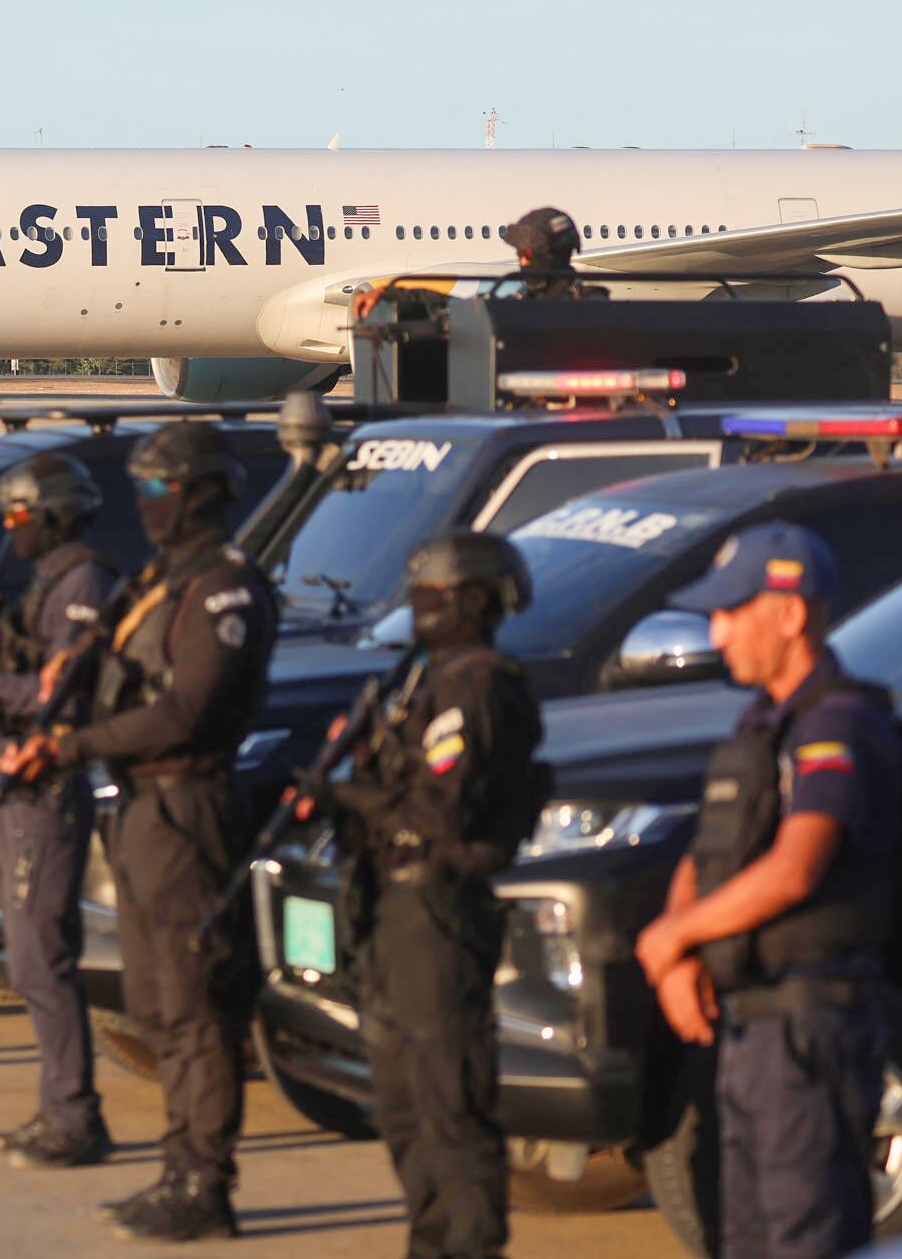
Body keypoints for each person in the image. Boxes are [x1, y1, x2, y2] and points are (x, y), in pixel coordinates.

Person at [2, 422, 276, 1243]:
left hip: (189, 808)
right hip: (141, 811)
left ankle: (204, 1181)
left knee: (196, 1010)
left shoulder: (226, 588)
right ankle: (177, 1166)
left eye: (162, 490)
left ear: (201, 494)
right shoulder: (160, 580)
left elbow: (186, 710)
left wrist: (71, 744)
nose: (148, 504)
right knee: (157, 1008)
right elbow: (102, 664)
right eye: (143, 489)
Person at [635, 522, 902, 1258]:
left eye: (731, 611)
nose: (716, 632)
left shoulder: (837, 727)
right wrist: (679, 954)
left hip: (810, 1028)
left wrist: (670, 939)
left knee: (804, 1236)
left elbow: (796, 867)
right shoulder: (764, 727)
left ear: (789, 614)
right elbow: (710, 850)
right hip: (752, 1027)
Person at [329, 533, 545, 1259]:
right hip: (393, 904)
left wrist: (351, 793)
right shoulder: (424, 676)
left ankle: (472, 1245)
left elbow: (442, 809)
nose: (418, 606)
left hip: (438, 908)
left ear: (473, 600)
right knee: (401, 1103)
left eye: (432, 594)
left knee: (451, 1102)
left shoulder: (476, 681)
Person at [0, 453, 119, 1169]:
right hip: (16, 782)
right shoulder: (47, 579)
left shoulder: (83, 582)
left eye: (18, 517)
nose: (12, 530)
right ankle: (60, 1108)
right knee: (28, 952)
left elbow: (55, 692)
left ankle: (74, 1118)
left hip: (47, 786)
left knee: (43, 956)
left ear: (51, 516)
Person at [502, 206, 608, 299]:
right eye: (519, 254)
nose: (523, 262)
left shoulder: (591, 305)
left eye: (526, 254)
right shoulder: (515, 302)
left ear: (552, 255)